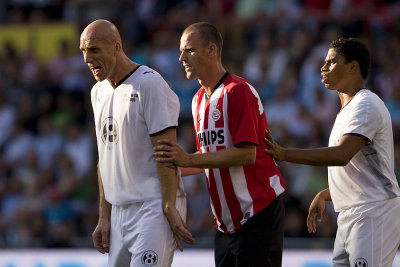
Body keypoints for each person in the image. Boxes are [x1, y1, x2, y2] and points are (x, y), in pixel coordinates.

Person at [154, 22, 286, 267]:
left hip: (257, 212)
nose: (181, 57)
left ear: (211, 50)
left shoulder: (238, 92)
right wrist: (168, 169)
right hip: (225, 223)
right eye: (182, 51)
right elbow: (208, 156)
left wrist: (189, 159)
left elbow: (246, 154)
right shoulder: (196, 101)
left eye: (189, 50)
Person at [264, 37, 400, 267]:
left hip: (373, 212)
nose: (322, 67)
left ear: (353, 67)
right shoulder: (345, 112)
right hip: (351, 214)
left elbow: (340, 155)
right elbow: (359, 171)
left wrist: (285, 154)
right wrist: (326, 194)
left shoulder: (366, 104)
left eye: (331, 61)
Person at [79, 19, 194, 267]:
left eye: (94, 49)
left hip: (153, 207)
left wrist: (169, 207)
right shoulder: (97, 92)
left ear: (116, 47)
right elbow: (105, 159)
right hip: (119, 211)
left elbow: (166, 152)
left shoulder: (148, 83)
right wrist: (104, 216)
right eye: (84, 51)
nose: (87, 59)